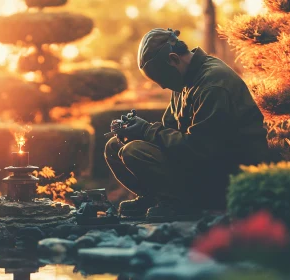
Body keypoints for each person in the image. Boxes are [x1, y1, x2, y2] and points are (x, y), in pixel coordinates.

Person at [105, 28, 269, 222]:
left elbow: (201, 149)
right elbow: (169, 130)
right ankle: (153, 198)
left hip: (226, 178)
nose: (163, 87)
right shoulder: (184, 80)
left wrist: (147, 130)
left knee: (134, 151)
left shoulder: (214, 84)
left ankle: (180, 204)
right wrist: (135, 131)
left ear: (174, 59)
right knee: (115, 147)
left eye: (162, 80)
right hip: (201, 166)